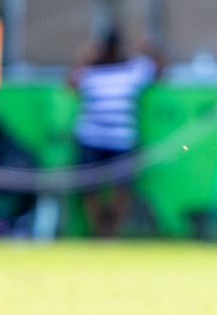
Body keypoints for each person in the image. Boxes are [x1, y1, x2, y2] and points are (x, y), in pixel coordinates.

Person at [66, 28, 163, 238]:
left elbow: (159, 71)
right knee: (88, 187)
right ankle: (98, 231)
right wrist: (84, 57)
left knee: (122, 188)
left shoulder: (131, 69)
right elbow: (70, 84)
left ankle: (112, 232)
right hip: (91, 137)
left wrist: (148, 50)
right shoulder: (91, 71)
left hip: (121, 139)